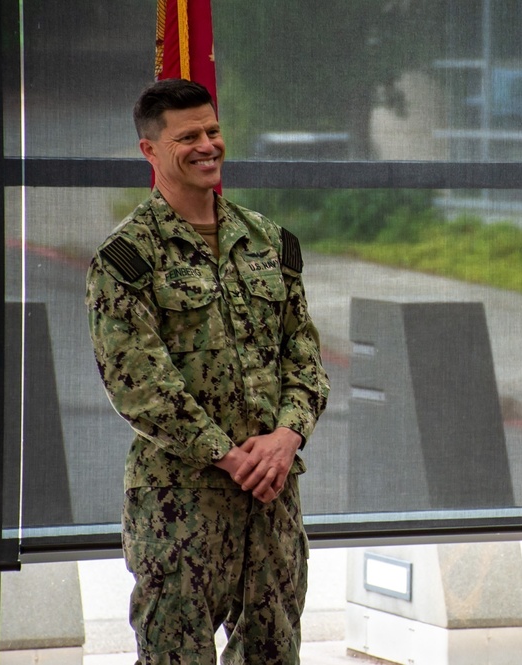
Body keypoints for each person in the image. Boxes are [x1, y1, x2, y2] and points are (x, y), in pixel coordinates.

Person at [86, 78, 330, 665]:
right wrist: (229, 454)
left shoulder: (270, 242)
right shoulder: (128, 258)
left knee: (273, 652)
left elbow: (304, 355)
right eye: (188, 136)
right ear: (150, 151)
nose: (207, 145)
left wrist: (285, 437)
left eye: (213, 130)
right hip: (181, 504)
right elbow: (138, 383)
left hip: (271, 501)